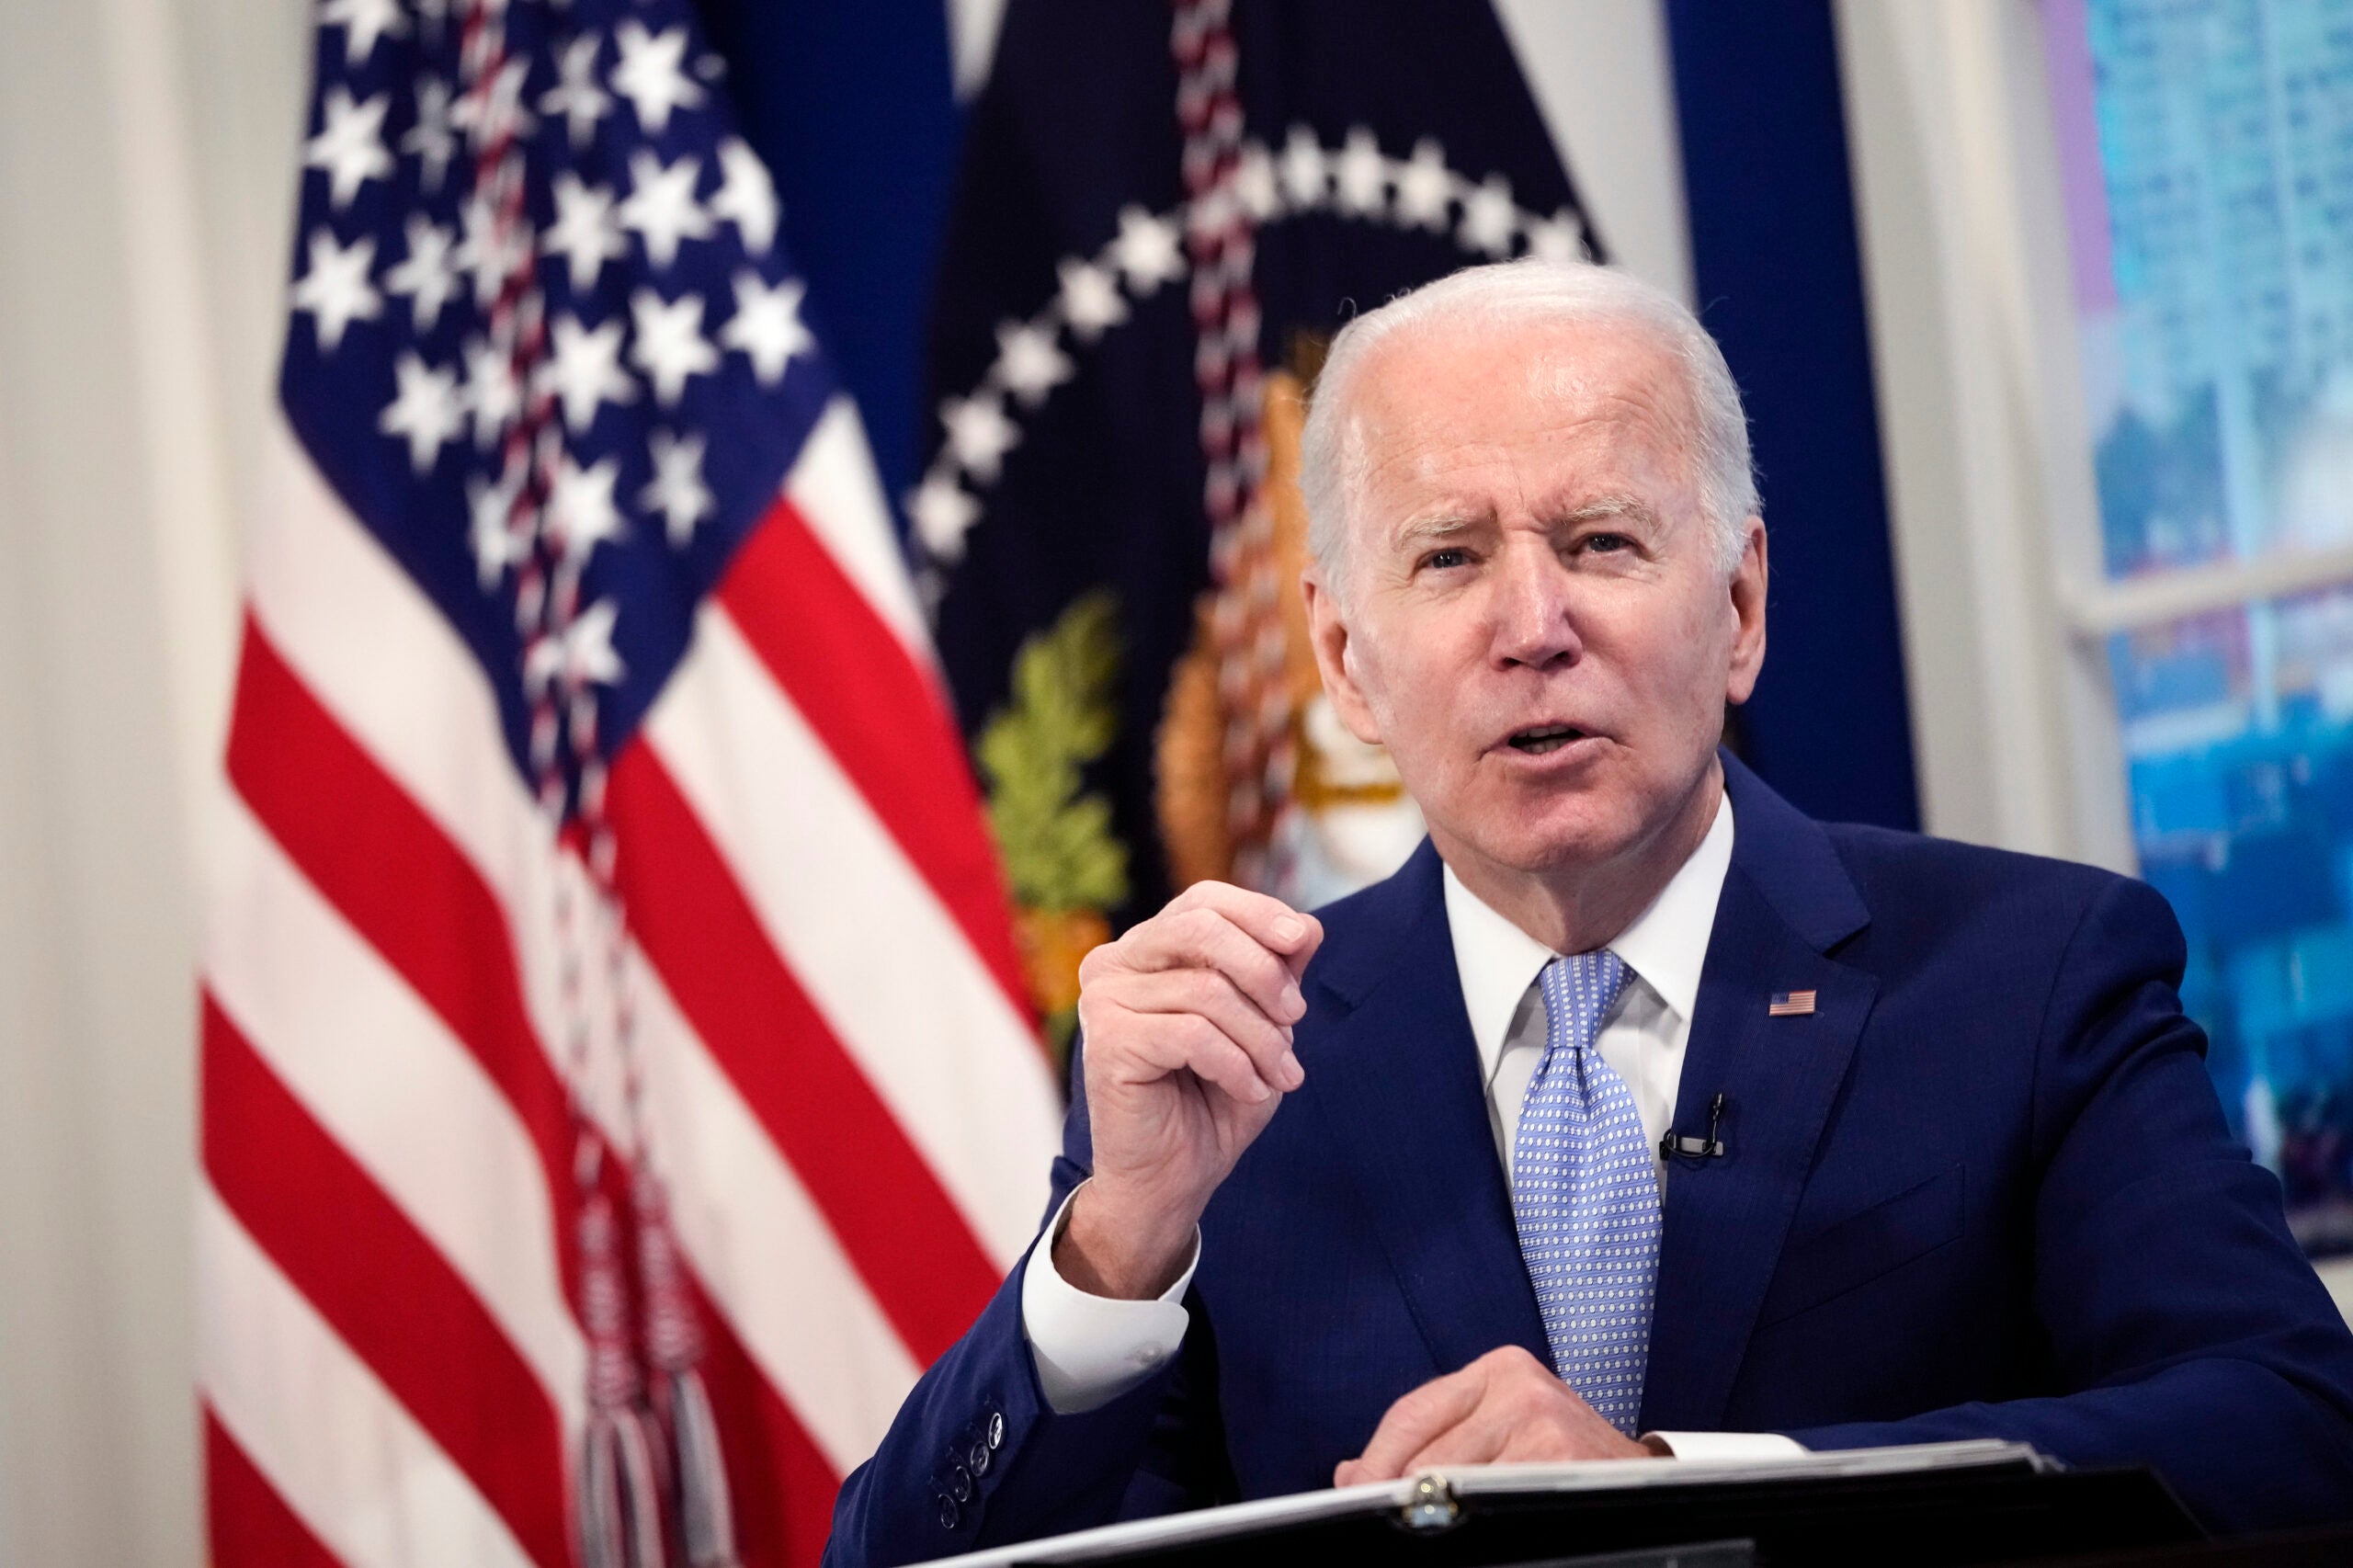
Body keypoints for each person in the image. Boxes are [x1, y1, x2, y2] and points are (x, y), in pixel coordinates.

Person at [824, 260, 2353, 1566]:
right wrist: (1110, 1255)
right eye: (1450, 557)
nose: (1532, 627)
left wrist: (1684, 1480)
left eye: (1603, 541)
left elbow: (2291, 1426)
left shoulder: (2032, 974)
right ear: (1346, 662)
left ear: (1739, 607)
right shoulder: (1228, 1072)